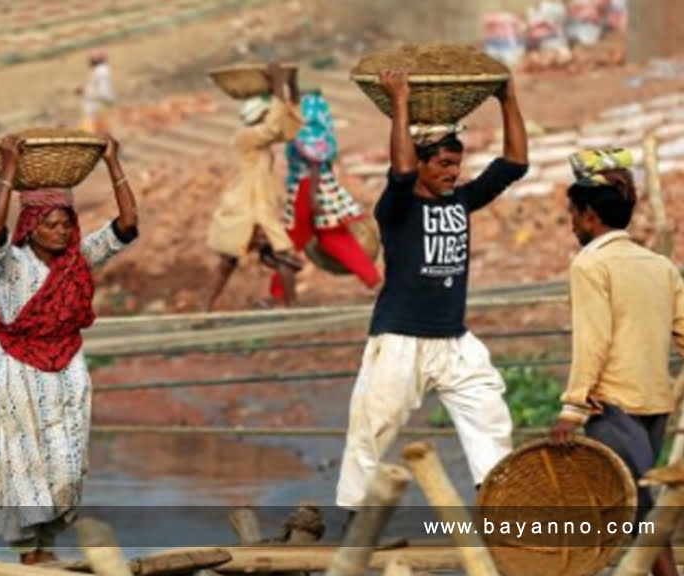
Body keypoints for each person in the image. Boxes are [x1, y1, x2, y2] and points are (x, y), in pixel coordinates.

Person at [334, 69, 529, 537]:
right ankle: (356, 528)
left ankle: (497, 510)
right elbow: (399, 173)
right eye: (441, 164)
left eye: (455, 165)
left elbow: (515, 164)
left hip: (453, 339)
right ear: (421, 164)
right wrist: (400, 101)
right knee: (372, 429)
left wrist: (508, 99)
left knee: (488, 413)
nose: (450, 173)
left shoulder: (460, 200)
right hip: (400, 338)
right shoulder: (396, 209)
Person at [0, 133, 138, 565]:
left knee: (63, 469)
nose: (61, 230)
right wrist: (10, 169)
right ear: (30, 227)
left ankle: (41, 556)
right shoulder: (12, 265)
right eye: (50, 223)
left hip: (65, 368)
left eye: (66, 222)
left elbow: (126, 226)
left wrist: (112, 164)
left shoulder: (76, 261)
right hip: (9, 377)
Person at [550, 149, 683, 576]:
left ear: (589, 215)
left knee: (640, 514)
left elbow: (593, 340)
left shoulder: (590, 264)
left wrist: (572, 408)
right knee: (636, 507)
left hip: (612, 405)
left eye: (573, 214)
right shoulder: (659, 265)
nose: (571, 224)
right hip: (655, 405)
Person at [205, 61, 304, 311]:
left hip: (258, 208)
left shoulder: (259, 140)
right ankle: (292, 309)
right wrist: (279, 85)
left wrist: (292, 85)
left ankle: (205, 306)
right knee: (277, 256)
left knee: (277, 256)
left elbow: (290, 128)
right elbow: (273, 126)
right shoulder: (245, 138)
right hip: (245, 208)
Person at [267, 88, 381, 304]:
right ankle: (374, 280)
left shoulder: (307, 134)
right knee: (334, 239)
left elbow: (315, 164)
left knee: (290, 242)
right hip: (324, 189)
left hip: (307, 189)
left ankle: (279, 296)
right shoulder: (321, 132)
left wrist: (311, 197)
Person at [79, 51, 115, 134]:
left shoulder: (101, 73)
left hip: (97, 114)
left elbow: (106, 95)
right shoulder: (99, 72)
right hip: (95, 113)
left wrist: (85, 90)